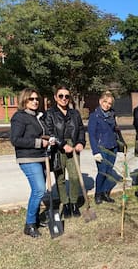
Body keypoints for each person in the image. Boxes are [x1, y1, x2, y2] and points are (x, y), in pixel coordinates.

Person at [10, 88, 53, 238]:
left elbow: (42, 135)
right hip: (28, 159)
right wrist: (38, 143)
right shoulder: (19, 117)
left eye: (36, 99)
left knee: (37, 190)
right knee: (40, 190)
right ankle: (29, 225)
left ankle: (34, 220)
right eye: (31, 99)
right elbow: (15, 140)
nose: (35, 101)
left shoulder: (38, 116)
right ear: (24, 100)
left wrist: (48, 140)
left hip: (41, 157)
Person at [44, 86, 86, 219]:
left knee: (74, 177)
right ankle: (66, 204)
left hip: (73, 147)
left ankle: (74, 203)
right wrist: (62, 145)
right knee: (60, 178)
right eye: (61, 96)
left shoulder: (75, 113)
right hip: (57, 148)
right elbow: (49, 132)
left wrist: (81, 142)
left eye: (66, 96)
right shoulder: (50, 113)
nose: (64, 99)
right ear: (56, 97)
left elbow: (80, 129)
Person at [88, 91, 121, 204]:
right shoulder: (94, 116)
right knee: (102, 171)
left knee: (109, 171)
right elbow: (91, 135)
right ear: (100, 101)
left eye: (110, 103)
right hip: (101, 148)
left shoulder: (112, 114)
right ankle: (98, 194)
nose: (107, 105)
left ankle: (105, 193)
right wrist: (95, 151)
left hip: (113, 146)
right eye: (105, 102)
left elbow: (115, 131)